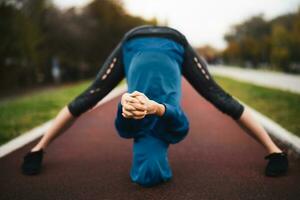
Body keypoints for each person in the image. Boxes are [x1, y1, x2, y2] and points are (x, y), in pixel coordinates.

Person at [22, 25, 288, 187]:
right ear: (165, 151)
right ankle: (274, 151)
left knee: (90, 96)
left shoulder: (130, 129)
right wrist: (154, 109)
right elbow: (178, 119)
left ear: (137, 147)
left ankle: (38, 149)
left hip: (133, 41)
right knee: (219, 97)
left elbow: (122, 119)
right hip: (174, 41)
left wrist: (126, 103)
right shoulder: (173, 129)